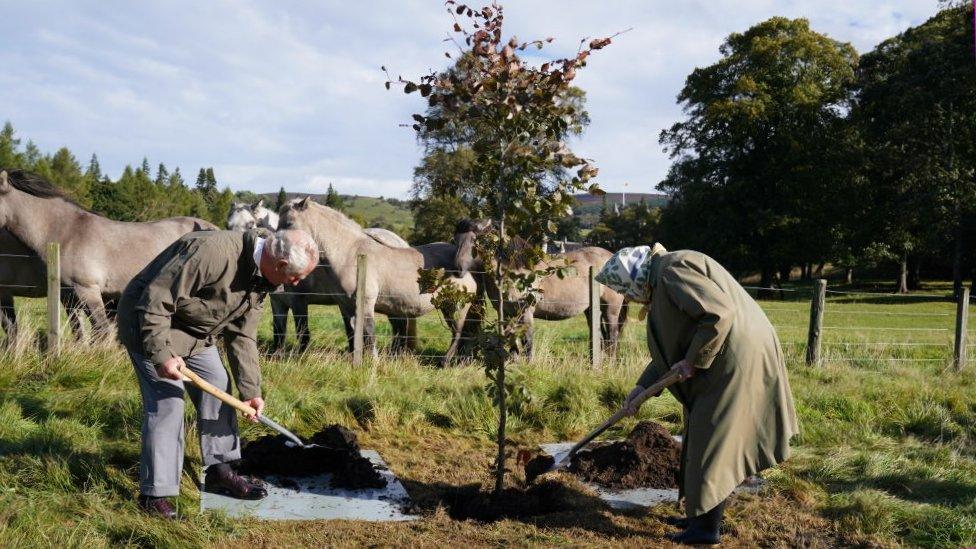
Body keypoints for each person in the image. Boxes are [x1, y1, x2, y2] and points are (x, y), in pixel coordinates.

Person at [596, 243, 798, 545]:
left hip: (734, 360)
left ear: (634, 279)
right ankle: (698, 514)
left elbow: (718, 314)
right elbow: (670, 351)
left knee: (711, 440)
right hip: (722, 359)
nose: (626, 297)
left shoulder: (672, 271)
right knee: (701, 434)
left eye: (624, 289)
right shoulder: (663, 277)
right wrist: (641, 388)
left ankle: (705, 530)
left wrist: (693, 360)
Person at [117, 228, 319, 519]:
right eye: (296, 277)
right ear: (280, 265)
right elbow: (155, 300)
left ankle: (220, 470)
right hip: (148, 325)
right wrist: (161, 355)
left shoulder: (262, 280)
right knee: (168, 403)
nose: (297, 283)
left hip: (195, 334)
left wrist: (250, 392)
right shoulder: (212, 254)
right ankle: (155, 496)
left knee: (219, 384)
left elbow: (243, 336)